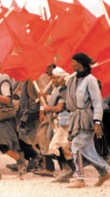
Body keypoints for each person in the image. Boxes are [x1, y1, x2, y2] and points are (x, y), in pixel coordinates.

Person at [65, 53, 110, 188]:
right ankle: (104, 170)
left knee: (76, 146)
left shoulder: (91, 80)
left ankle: (80, 178)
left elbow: (97, 102)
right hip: (75, 118)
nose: (71, 64)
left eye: (74, 62)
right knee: (88, 148)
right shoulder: (73, 79)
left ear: (80, 63)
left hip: (86, 119)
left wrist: (97, 122)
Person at [43, 67, 76, 183]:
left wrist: (48, 108)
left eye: (55, 78)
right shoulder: (57, 89)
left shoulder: (64, 90)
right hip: (57, 123)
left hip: (63, 123)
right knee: (64, 148)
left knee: (55, 147)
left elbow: (59, 107)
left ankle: (68, 169)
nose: (53, 80)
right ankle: (68, 170)